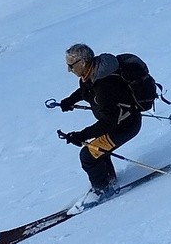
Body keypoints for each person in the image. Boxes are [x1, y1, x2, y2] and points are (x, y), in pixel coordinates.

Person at [57, 43, 142, 193]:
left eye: (71, 65)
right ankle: (109, 182)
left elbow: (108, 123)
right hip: (118, 123)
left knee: (87, 156)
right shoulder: (92, 74)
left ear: (82, 62)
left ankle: (103, 191)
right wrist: (70, 100)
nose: (69, 70)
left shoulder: (104, 85)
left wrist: (81, 135)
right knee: (97, 152)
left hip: (124, 127)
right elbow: (85, 90)